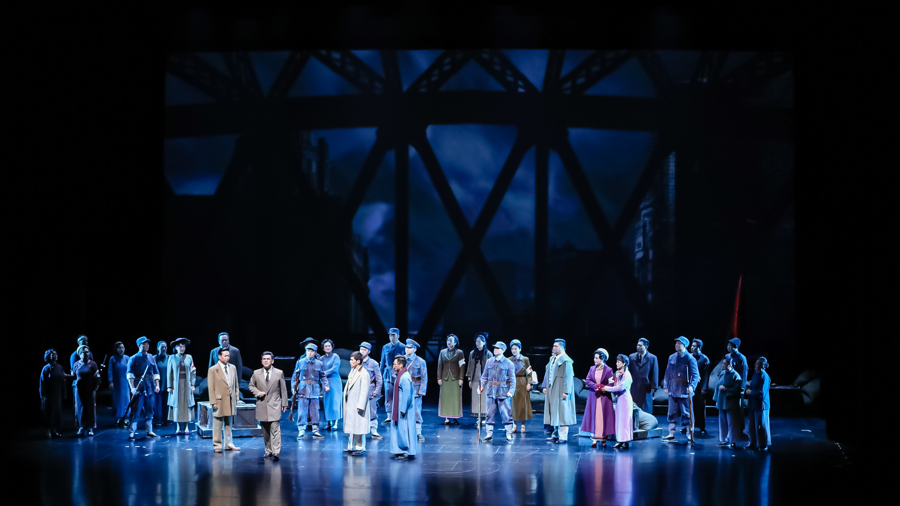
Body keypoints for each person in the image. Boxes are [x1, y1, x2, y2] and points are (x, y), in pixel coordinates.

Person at [248, 351, 288, 460]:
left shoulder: (279, 373)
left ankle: (276, 451)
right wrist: (257, 392)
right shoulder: (256, 373)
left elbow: (283, 389)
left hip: (274, 404)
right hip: (262, 404)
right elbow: (251, 385)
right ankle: (268, 450)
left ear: (272, 361)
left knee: (275, 428)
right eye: (264, 359)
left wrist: (285, 403)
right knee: (265, 430)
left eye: (268, 359)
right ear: (262, 361)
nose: (266, 361)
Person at [661, 337, 700, 442]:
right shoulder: (672, 357)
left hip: (684, 390)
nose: (676, 345)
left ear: (685, 345)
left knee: (687, 413)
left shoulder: (690, 358)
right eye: (676, 343)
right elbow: (667, 373)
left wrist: (692, 387)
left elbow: (695, 375)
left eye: (679, 343)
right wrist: (666, 386)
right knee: (671, 412)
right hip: (673, 389)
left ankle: (689, 433)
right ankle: (671, 433)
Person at [478, 341, 516, 442]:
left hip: (503, 391)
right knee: (489, 413)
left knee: (506, 412)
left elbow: (512, 379)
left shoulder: (508, 363)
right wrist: (480, 387)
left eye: (497, 348)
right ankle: (489, 433)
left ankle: (509, 434)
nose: (495, 350)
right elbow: (484, 376)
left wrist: (511, 391)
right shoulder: (489, 361)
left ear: (503, 350)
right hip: (491, 390)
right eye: (494, 348)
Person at [541, 339, 577, 444]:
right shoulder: (553, 358)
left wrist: (566, 391)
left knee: (562, 413)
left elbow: (568, 377)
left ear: (562, 347)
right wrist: (545, 386)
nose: (553, 348)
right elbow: (547, 373)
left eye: (556, 346)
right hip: (552, 388)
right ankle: (555, 434)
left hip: (561, 389)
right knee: (554, 412)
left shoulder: (566, 360)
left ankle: (563, 436)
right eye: (553, 346)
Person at [291, 342, 329, 439]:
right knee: (302, 410)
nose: (310, 353)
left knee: (315, 410)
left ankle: (315, 430)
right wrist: (293, 387)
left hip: (314, 389)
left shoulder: (319, 363)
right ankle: (301, 430)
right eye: (308, 351)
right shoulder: (300, 362)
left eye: (312, 351)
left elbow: (323, 376)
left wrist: (326, 385)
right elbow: (295, 376)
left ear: (315, 352)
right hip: (303, 389)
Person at [127, 336, 161, 440]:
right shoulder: (133, 358)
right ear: (139, 345)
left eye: (147, 344)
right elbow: (129, 374)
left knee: (150, 409)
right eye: (144, 344)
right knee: (136, 410)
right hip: (139, 386)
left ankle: (149, 431)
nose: (146, 345)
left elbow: (156, 372)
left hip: (150, 386)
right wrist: (132, 387)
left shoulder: (151, 357)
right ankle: (132, 432)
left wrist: (157, 385)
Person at [208, 347, 240, 452]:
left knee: (228, 423)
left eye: (228, 356)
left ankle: (229, 444)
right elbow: (211, 387)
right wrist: (213, 401)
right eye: (225, 356)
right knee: (218, 423)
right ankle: (217, 444)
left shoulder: (232, 368)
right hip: (219, 400)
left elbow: (236, 384)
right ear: (219, 356)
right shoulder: (213, 370)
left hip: (230, 400)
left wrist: (236, 397)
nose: (227, 358)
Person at [581, 348, 615, 448]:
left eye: (596, 358)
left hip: (604, 396)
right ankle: (594, 438)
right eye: (594, 358)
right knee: (594, 416)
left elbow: (611, 383)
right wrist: (596, 386)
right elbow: (588, 380)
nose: (594, 360)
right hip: (593, 395)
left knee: (603, 416)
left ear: (602, 359)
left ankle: (603, 438)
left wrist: (603, 388)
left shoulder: (608, 370)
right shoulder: (592, 368)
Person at [342, 351, 371, 456]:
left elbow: (364, 391)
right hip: (351, 403)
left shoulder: (364, 374)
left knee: (359, 426)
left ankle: (360, 447)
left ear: (358, 361)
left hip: (357, 404)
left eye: (352, 360)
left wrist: (360, 406)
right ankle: (351, 446)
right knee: (352, 426)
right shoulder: (353, 371)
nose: (350, 362)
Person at [603, 354, 635, 450]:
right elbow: (613, 382)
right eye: (617, 361)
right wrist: (615, 377)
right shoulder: (619, 373)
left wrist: (607, 388)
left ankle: (624, 441)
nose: (616, 363)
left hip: (625, 399)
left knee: (625, 420)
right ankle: (621, 440)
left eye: (619, 362)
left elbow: (621, 387)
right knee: (620, 420)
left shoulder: (627, 374)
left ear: (624, 363)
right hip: (619, 399)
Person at [166, 337, 197, 435]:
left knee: (186, 405)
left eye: (183, 346)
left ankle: (187, 426)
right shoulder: (172, 358)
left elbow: (193, 372)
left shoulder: (189, 357)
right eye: (180, 346)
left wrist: (192, 384)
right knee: (178, 405)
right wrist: (169, 386)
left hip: (187, 384)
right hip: (176, 385)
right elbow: (169, 373)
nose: (182, 348)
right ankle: (178, 427)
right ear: (176, 348)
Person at [389, 355, 417, 459]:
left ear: (401, 365)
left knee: (405, 429)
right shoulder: (400, 375)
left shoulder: (405, 377)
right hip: (399, 405)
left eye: (395, 364)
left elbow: (407, 394)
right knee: (399, 428)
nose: (394, 366)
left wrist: (402, 409)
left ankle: (406, 450)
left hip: (404, 408)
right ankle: (398, 449)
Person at [714, 356, 744, 449]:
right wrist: (716, 400)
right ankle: (724, 440)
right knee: (723, 422)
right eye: (723, 363)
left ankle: (733, 440)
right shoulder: (722, 373)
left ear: (730, 364)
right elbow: (717, 386)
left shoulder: (735, 375)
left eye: (725, 363)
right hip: (722, 401)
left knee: (732, 422)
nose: (723, 365)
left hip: (731, 402)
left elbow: (737, 389)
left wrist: (726, 389)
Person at [437, 334, 466, 425]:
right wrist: (439, 377)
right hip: (445, 378)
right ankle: (447, 417)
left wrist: (461, 378)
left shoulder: (460, 352)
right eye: (448, 340)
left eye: (451, 340)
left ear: (455, 342)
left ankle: (455, 417)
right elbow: (439, 365)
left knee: (455, 398)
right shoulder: (442, 352)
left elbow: (462, 366)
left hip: (455, 378)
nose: (449, 342)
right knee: (446, 398)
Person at [72, 345, 100, 437]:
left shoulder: (93, 364)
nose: (86, 354)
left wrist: (95, 388)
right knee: (80, 408)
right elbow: (73, 376)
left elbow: (97, 377)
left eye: (87, 352)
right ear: (79, 354)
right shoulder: (76, 364)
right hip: (79, 390)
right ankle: (80, 427)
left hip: (90, 389)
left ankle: (90, 427)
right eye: (83, 352)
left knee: (90, 408)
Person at [359, 342, 384, 439]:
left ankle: (374, 430)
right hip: (359, 389)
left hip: (370, 389)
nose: (362, 351)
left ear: (369, 351)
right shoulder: (357, 361)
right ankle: (359, 430)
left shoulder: (373, 363)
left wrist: (377, 391)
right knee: (359, 410)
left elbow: (379, 378)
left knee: (372, 411)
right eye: (361, 349)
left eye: (364, 350)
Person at [404, 339, 428, 441]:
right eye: (406, 347)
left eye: (410, 348)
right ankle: (405, 432)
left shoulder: (421, 361)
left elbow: (424, 377)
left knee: (417, 411)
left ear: (415, 349)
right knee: (403, 410)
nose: (407, 349)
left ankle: (418, 432)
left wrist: (422, 391)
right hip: (404, 388)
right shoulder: (402, 360)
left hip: (415, 389)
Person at [746, 356, 772, 450]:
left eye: (757, 364)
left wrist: (751, 392)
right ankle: (753, 443)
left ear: (763, 366)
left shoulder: (764, 376)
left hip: (761, 404)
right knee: (752, 425)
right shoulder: (756, 374)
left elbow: (762, 392)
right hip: (753, 403)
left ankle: (763, 444)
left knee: (761, 425)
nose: (755, 365)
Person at [40, 349, 66, 439]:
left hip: (57, 393)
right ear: (49, 356)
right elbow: (42, 382)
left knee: (56, 412)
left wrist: (64, 393)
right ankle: (48, 430)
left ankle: (54, 430)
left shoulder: (60, 367)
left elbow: (63, 381)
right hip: (49, 394)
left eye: (56, 354)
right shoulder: (46, 368)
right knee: (49, 412)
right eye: (53, 354)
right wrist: (42, 395)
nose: (55, 355)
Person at [628, 337, 659, 413]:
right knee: (634, 404)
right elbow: (629, 371)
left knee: (646, 405)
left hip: (646, 386)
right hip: (634, 385)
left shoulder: (652, 358)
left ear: (646, 347)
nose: (638, 347)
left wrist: (654, 387)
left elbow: (654, 372)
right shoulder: (632, 357)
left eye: (640, 345)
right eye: (637, 345)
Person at [380, 328, 404, 424]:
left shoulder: (403, 347)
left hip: (399, 373)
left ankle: (399, 414)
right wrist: (380, 376)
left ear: (398, 336)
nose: (392, 337)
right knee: (388, 395)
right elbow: (382, 362)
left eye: (394, 335)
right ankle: (389, 415)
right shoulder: (385, 347)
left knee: (399, 394)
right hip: (388, 373)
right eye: (390, 335)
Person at [509, 339, 534, 433]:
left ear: (520, 349)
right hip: (513, 383)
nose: (514, 351)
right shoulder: (509, 360)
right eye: (512, 349)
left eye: (516, 349)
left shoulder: (525, 359)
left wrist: (529, 383)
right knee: (513, 404)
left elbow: (529, 372)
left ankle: (523, 424)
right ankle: (514, 424)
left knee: (523, 404)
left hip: (523, 382)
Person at [466, 333, 490, 424]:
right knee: (476, 397)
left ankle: (484, 417)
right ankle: (478, 417)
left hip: (485, 379)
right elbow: (469, 367)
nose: (477, 343)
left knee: (484, 398)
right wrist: (469, 379)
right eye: (476, 341)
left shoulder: (488, 354)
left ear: (484, 342)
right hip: (475, 378)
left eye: (479, 342)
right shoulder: (472, 353)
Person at [321, 339, 343, 431]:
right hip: (325, 381)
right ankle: (329, 422)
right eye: (326, 346)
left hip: (334, 381)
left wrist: (323, 373)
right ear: (323, 348)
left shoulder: (335, 357)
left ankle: (336, 423)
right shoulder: (321, 358)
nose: (327, 347)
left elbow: (335, 369)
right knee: (327, 402)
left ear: (332, 347)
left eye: (329, 346)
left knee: (335, 401)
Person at [690, 339, 711, 435]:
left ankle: (701, 426)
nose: (692, 348)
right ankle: (689, 426)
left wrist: (704, 388)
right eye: (692, 346)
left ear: (699, 348)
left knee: (700, 406)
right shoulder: (689, 357)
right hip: (690, 386)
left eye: (694, 346)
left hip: (700, 387)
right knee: (690, 406)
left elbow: (706, 375)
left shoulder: (704, 359)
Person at [108, 341, 130, 427]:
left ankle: (126, 418)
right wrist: (110, 381)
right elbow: (110, 371)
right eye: (119, 348)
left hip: (125, 383)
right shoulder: (113, 358)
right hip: (117, 383)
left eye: (123, 348)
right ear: (116, 349)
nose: (121, 349)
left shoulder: (127, 358)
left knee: (126, 400)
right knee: (117, 401)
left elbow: (130, 370)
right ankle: (118, 418)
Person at [153, 340, 169, 427]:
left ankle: (165, 419)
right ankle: (157, 419)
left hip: (166, 384)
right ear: (158, 348)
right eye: (162, 347)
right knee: (157, 403)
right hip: (157, 384)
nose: (164, 349)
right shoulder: (154, 358)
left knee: (166, 402)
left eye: (165, 347)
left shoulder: (169, 358)